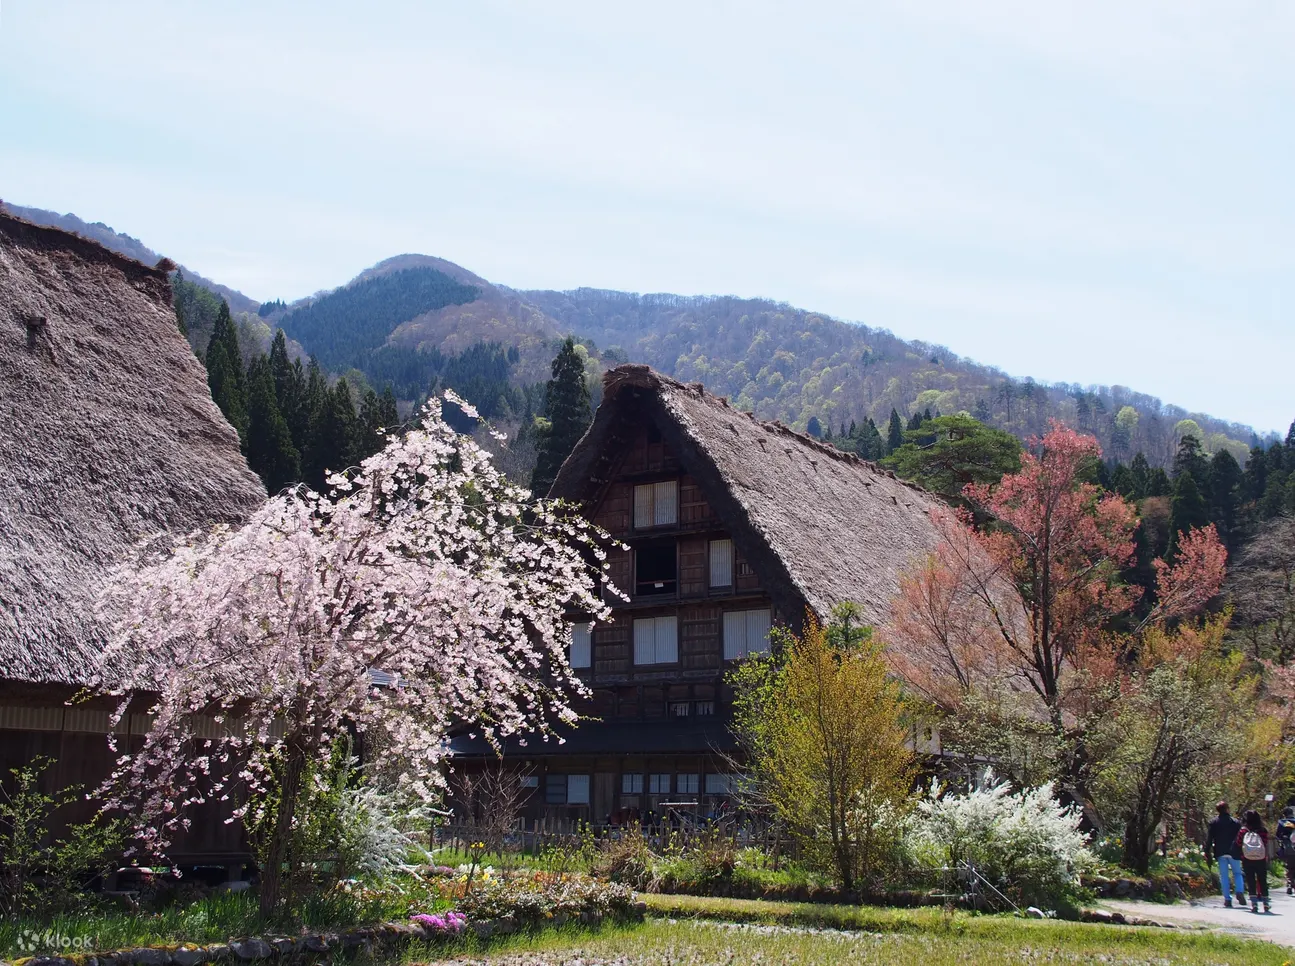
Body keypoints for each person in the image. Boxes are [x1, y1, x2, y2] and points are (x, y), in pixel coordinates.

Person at [1204, 800, 1245, 908]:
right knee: (1237, 873)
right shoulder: (1236, 822)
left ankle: (1227, 899)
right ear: (1227, 809)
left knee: (1224, 876)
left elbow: (1209, 839)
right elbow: (1240, 837)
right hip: (1234, 851)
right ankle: (1239, 891)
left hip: (1220, 851)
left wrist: (1206, 851)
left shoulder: (1214, 823)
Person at [1236, 809, 1272, 914]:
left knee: (1250, 880)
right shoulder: (1263, 830)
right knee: (1262, 880)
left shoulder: (1243, 830)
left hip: (1247, 859)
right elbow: (1265, 843)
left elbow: (1238, 843)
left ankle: (1254, 904)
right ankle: (1266, 903)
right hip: (1260, 858)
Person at [1276, 806, 1295, 896]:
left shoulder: (1281, 822)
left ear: (1284, 814)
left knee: (1289, 867)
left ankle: (1289, 884)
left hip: (1287, 848)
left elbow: (1277, 835)